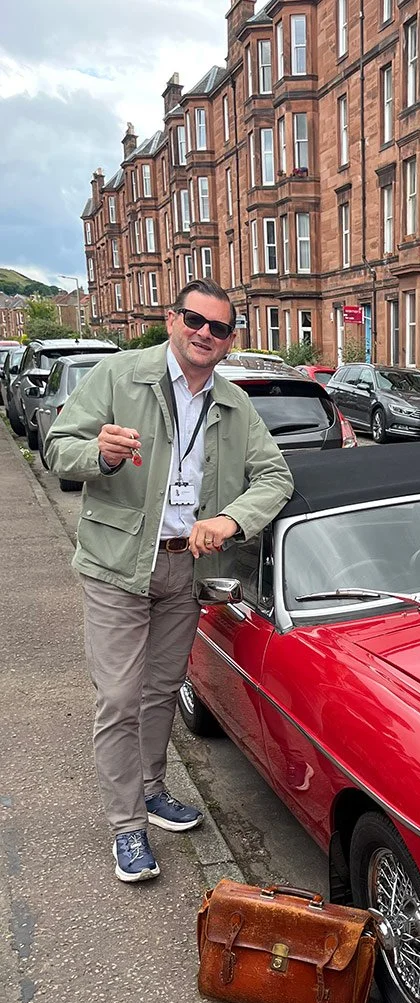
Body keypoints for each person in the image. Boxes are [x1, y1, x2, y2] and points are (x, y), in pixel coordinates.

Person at [45, 280, 294, 884]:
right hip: (119, 564)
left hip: (188, 566)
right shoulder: (118, 377)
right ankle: (126, 827)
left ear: (230, 340)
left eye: (219, 327)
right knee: (119, 698)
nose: (205, 333)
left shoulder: (234, 405)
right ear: (172, 319)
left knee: (161, 691)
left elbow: (275, 475)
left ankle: (153, 789)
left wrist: (231, 519)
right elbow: (57, 448)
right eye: (194, 319)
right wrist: (99, 457)